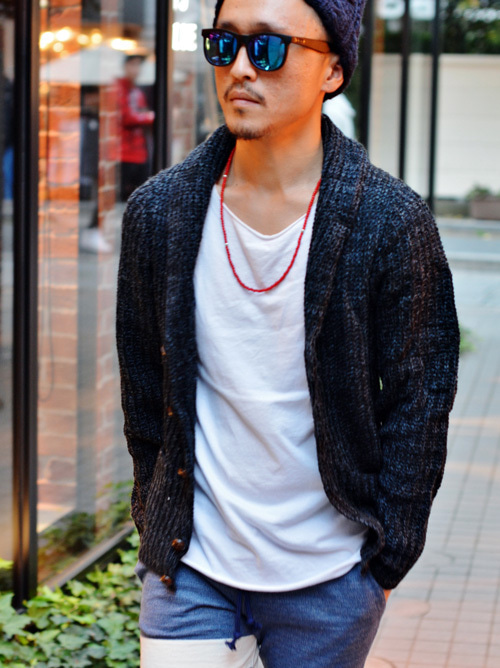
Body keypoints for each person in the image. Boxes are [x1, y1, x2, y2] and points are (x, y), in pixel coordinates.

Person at [116, 0, 460, 666]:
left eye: (269, 47)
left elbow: (421, 400)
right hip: (192, 567)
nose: (241, 68)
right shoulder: (159, 213)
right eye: (225, 44)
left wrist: (387, 562)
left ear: (332, 70)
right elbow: (144, 392)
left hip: (330, 580)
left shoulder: (391, 222)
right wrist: (154, 519)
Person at [116, 53, 154, 202]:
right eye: (133, 64)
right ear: (125, 66)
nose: (136, 69)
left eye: (139, 65)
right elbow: (127, 117)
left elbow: (141, 112)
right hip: (124, 152)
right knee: (122, 194)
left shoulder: (137, 91)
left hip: (139, 151)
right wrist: (149, 117)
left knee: (138, 194)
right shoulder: (120, 88)